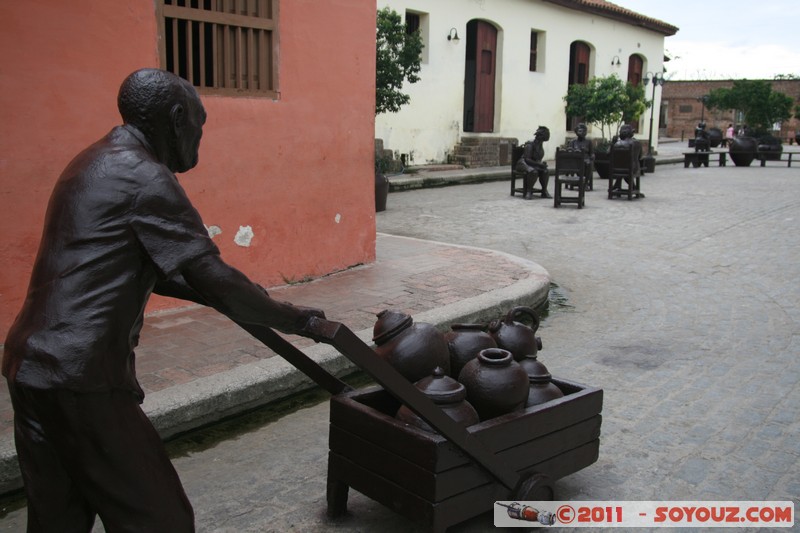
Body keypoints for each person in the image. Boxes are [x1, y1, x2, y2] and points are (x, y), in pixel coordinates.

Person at [2, 68, 326, 532]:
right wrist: (297, 320)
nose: (200, 136)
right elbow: (212, 275)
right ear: (177, 119)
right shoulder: (145, 177)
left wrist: (217, 298)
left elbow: (136, 266)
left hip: (30, 367)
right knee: (160, 519)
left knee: (58, 516)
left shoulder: (92, 160)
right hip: (81, 375)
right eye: (200, 122)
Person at [514, 126, 551, 199]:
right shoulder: (530, 144)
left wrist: (542, 164)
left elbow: (538, 159)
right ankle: (529, 191)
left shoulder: (540, 145)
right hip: (523, 163)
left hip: (533, 163)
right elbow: (527, 159)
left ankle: (544, 191)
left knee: (545, 171)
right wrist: (539, 164)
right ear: (540, 136)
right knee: (533, 172)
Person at [610, 124, 642, 191]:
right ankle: (633, 187)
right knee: (625, 168)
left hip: (618, 169)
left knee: (622, 167)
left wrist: (612, 143)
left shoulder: (617, 144)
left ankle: (617, 186)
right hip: (634, 168)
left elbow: (608, 154)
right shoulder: (637, 143)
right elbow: (640, 157)